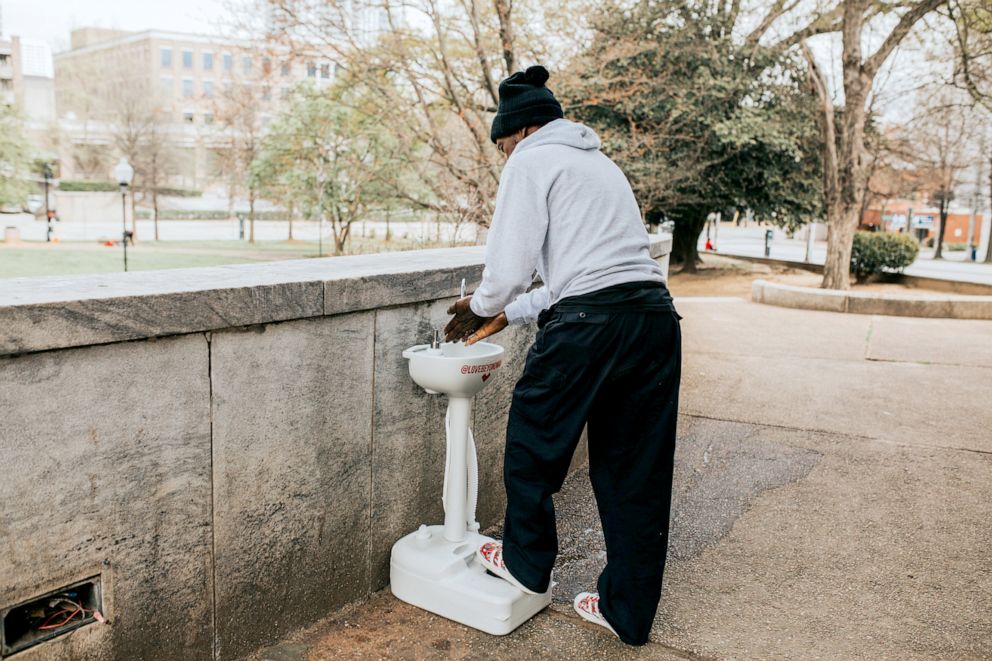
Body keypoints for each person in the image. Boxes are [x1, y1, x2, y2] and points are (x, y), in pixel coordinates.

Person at [444, 65, 682, 646]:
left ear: (518, 132)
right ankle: (628, 612)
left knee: (533, 438)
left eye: (501, 147)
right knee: (636, 473)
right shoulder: (600, 165)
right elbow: (587, 272)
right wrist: (514, 312)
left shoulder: (531, 160)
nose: (504, 159)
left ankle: (526, 562)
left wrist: (482, 304)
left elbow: (508, 266)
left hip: (589, 329)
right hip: (653, 321)